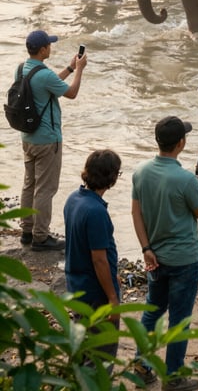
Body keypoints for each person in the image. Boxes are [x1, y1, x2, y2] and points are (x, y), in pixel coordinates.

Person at [131, 116, 198, 391]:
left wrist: (146, 249)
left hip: (155, 258)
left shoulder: (140, 171)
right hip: (184, 261)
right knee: (179, 319)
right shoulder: (187, 179)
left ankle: (141, 366)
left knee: (152, 311)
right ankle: (174, 377)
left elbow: (136, 213)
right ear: (181, 143)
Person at [17, 29, 87, 252]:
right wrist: (80, 71)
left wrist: (69, 68)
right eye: (49, 44)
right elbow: (71, 93)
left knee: (29, 184)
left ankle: (27, 231)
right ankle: (41, 237)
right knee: (46, 189)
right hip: (48, 140)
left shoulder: (23, 69)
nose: (51, 47)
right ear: (43, 49)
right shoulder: (43, 74)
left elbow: (48, 85)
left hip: (28, 137)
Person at [63, 149, 122, 358]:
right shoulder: (96, 212)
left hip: (76, 284)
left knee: (82, 347)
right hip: (95, 292)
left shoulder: (73, 199)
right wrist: (113, 298)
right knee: (102, 354)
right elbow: (99, 259)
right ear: (112, 178)